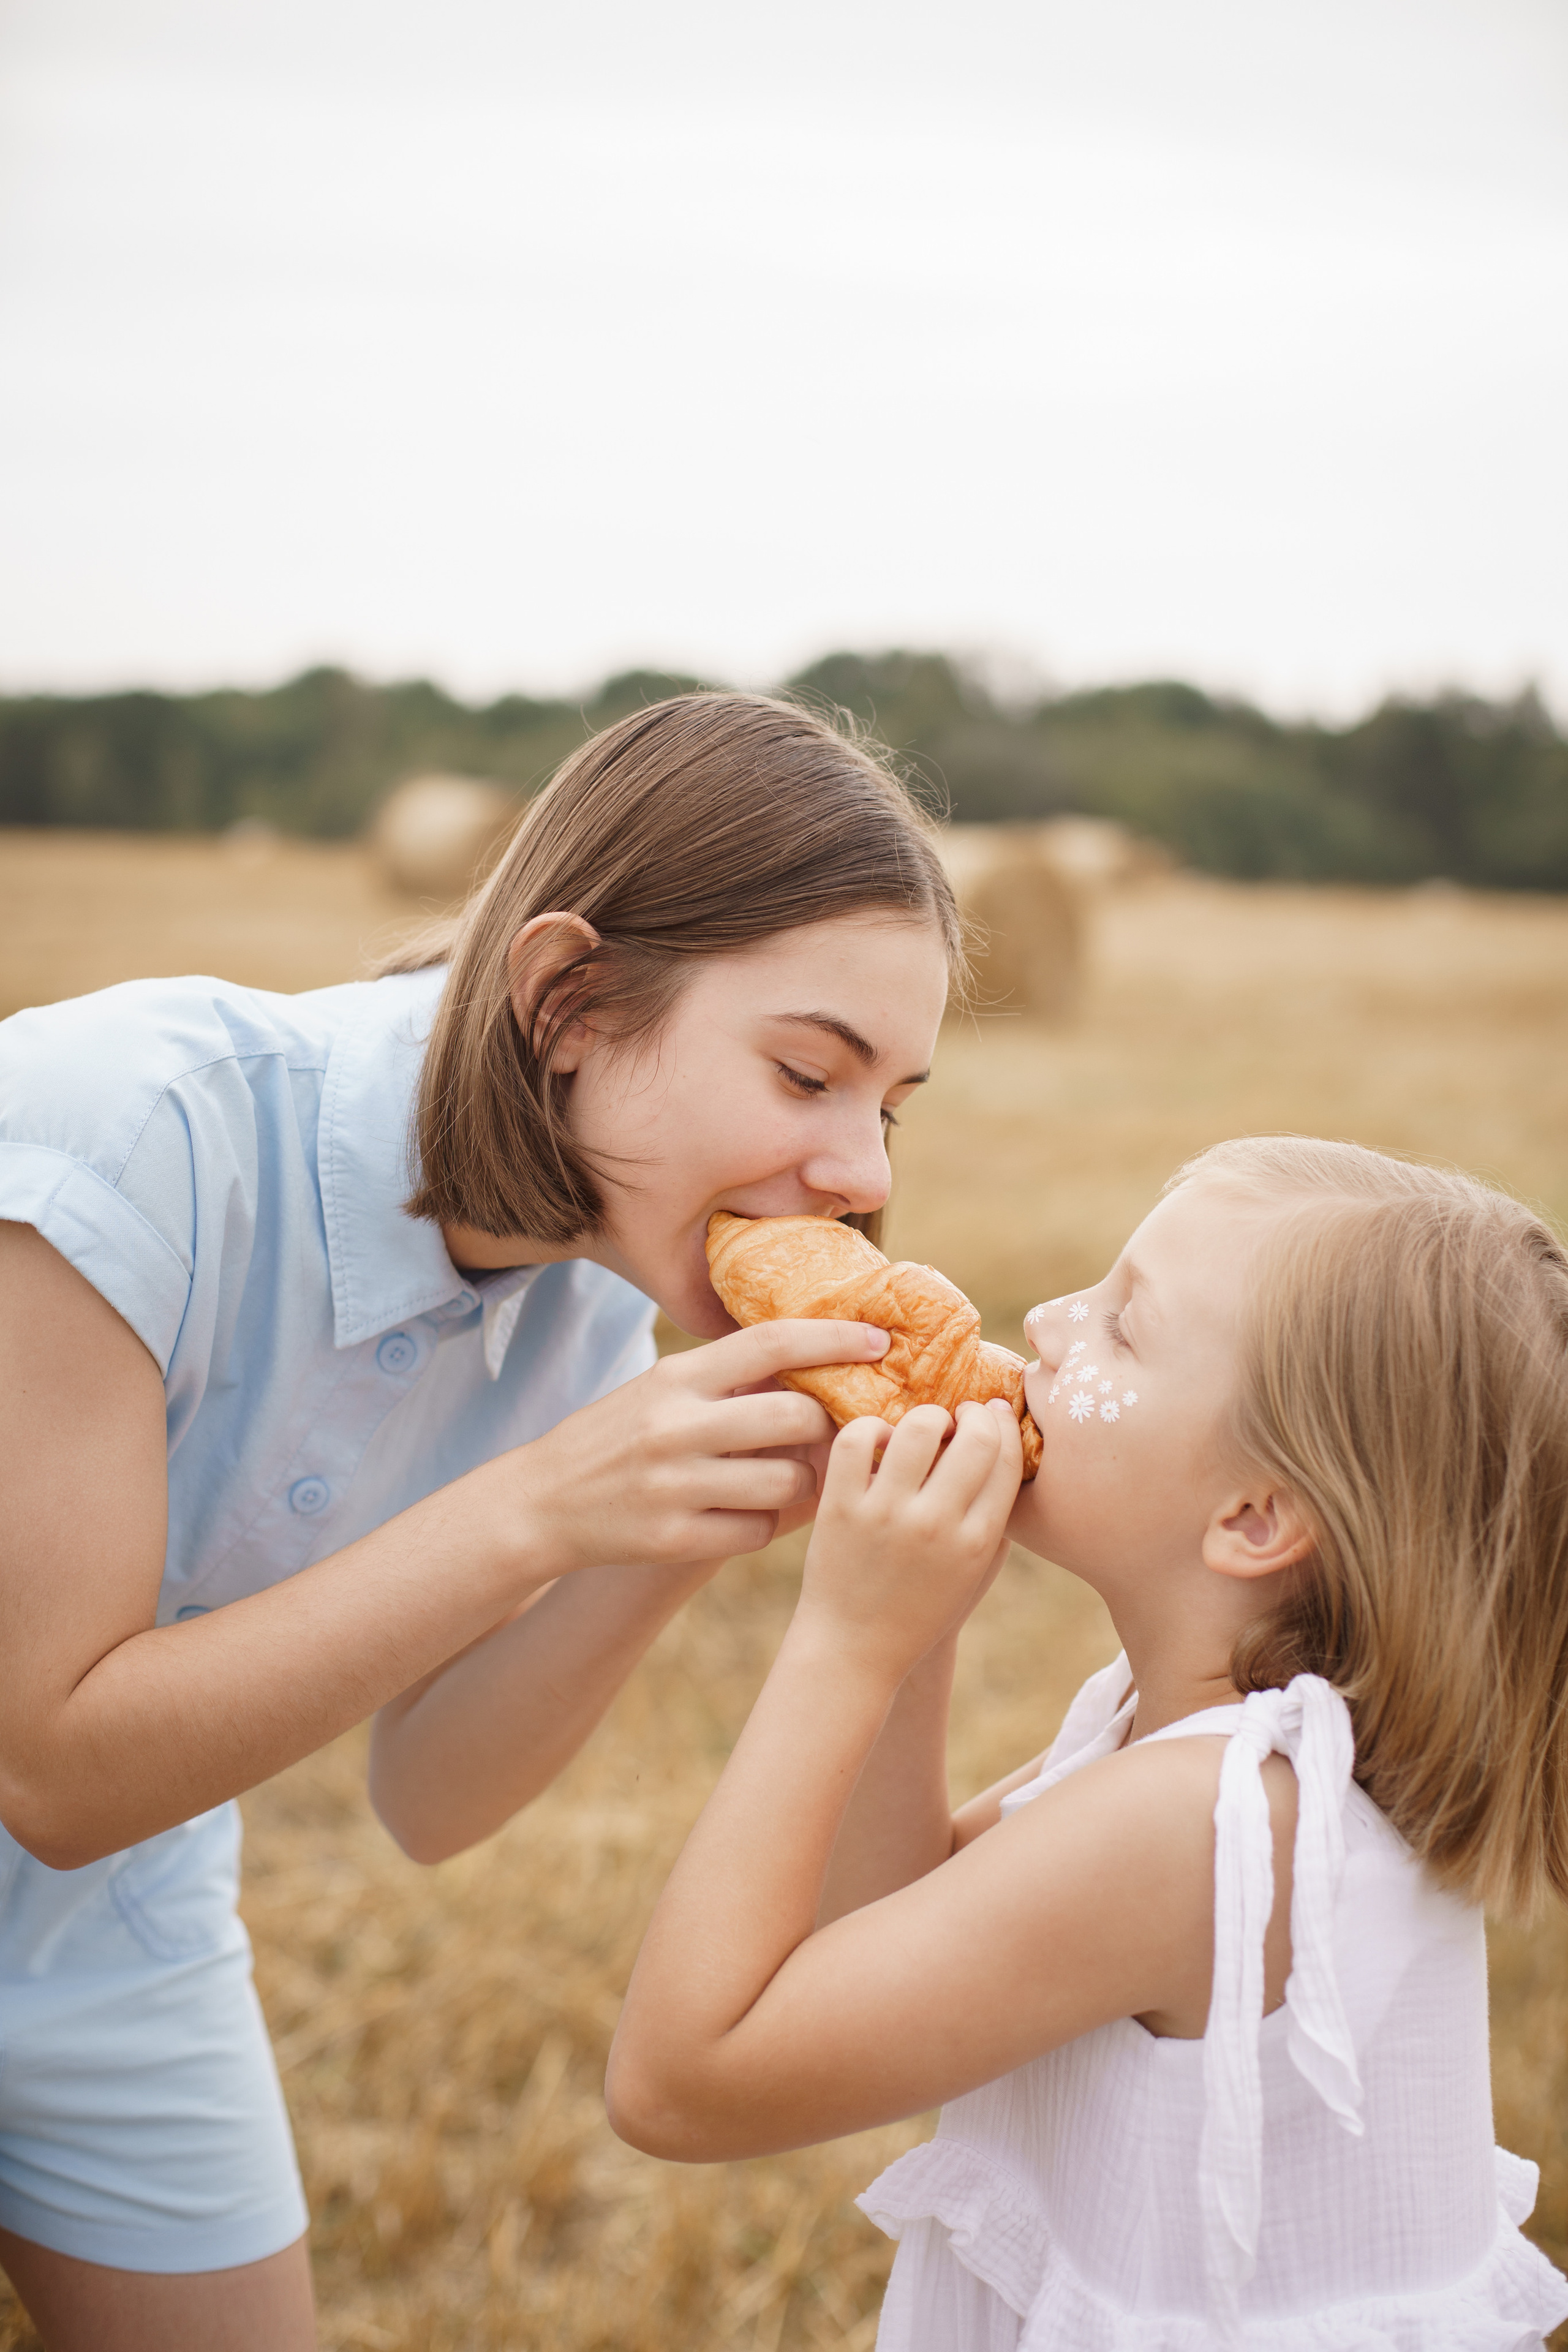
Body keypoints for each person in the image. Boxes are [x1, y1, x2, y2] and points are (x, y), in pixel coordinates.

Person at [0, 691, 960, 2352]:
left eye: (892, 1104)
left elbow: (430, 1799)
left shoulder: (589, 1315)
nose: (862, 1166)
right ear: (570, 997)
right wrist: (539, 1508)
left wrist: (674, 1523)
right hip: (91, 1840)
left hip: (114, 1940)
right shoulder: (129, 1132)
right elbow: (57, 1771)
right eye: (810, 1072)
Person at [608, 1135, 1568, 2349]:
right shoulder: (1208, 1739)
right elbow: (880, 1932)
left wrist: (846, 1641)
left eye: (1123, 1326)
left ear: (1253, 1517)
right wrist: (916, 1632)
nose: (1046, 1322)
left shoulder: (1198, 1823)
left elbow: (679, 2084)